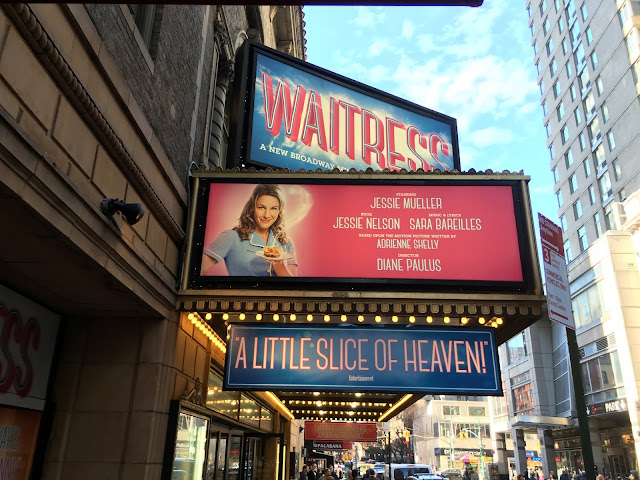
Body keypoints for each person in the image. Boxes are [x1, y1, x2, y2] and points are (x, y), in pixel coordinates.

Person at [201, 184, 298, 277]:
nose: (266, 215)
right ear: (252, 208)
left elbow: (294, 288)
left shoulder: (286, 242)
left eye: (273, 208)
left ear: (279, 211)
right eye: (261, 207)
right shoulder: (230, 237)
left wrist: (279, 266)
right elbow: (194, 271)